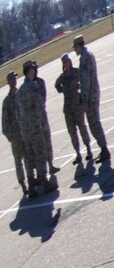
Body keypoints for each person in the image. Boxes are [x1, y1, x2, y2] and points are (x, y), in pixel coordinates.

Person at [14, 60, 55, 197]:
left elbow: (19, 112)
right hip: (35, 126)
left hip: (25, 128)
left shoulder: (20, 91)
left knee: (30, 156)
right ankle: (44, 181)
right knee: (41, 153)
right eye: (33, 68)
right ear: (30, 70)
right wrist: (44, 122)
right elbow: (39, 106)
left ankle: (31, 185)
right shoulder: (33, 86)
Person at [72, 37, 108, 164]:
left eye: (75, 47)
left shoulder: (85, 58)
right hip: (93, 94)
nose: (75, 50)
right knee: (95, 123)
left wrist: (85, 101)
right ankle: (103, 148)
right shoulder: (88, 55)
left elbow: (86, 81)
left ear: (78, 46)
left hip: (90, 97)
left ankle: (104, 148)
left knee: (94, 124)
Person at [54, 53, 93, 168]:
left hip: (77, 105)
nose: (67, 63)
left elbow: (84, 81)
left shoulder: (76, 72)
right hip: (68, 108)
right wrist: (60, 89)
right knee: (72, 132)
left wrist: (81, 91)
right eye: (64, 62)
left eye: (67, 61)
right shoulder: (63, 76)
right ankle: (77, 153)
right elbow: (56, 84)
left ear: (70, 61)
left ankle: (89, 150)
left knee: (82, 128)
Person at [2, 71, 25, 197]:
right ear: (9, 82)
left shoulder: (21, 94)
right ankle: (23, 184)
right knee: (18, 161)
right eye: (13, 79)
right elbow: (4, 123)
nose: (15, 81)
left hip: (25, 132)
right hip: (16, 136)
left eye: (15, 79)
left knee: (28, 158)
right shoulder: (7, 101)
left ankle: (32, 180)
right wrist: (10, 137)